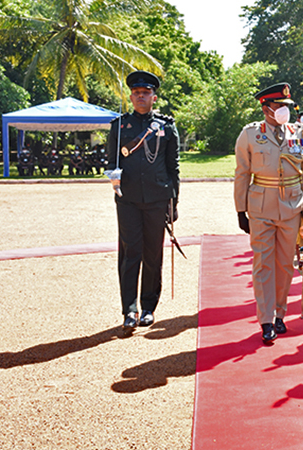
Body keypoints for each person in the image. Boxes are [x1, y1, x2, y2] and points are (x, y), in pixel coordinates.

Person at [234, 82, 303, 344]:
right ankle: (266, 319)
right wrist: (240, 209)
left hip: (292, 205)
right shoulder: (249, 134)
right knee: (263, 263)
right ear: (266, 108)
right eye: (279, 106)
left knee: (284, 264)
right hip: (260, 206)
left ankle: (281, 312)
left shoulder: (299, 132)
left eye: (287, 106)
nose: (284, 111)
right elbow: (242, 174)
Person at [105, 70, 180, 330]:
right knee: (130, 254)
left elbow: (174, 167)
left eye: (145, 93)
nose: (140, 97)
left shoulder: (166, 126)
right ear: (130, 96)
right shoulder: (119, 125)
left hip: (158, 199)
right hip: (128, 200)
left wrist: (174, 203)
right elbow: (111, 161)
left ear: (154, 97)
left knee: (152, 254)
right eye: (136, 93)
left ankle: (148, 307)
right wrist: (114, 180)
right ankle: (129, 309)